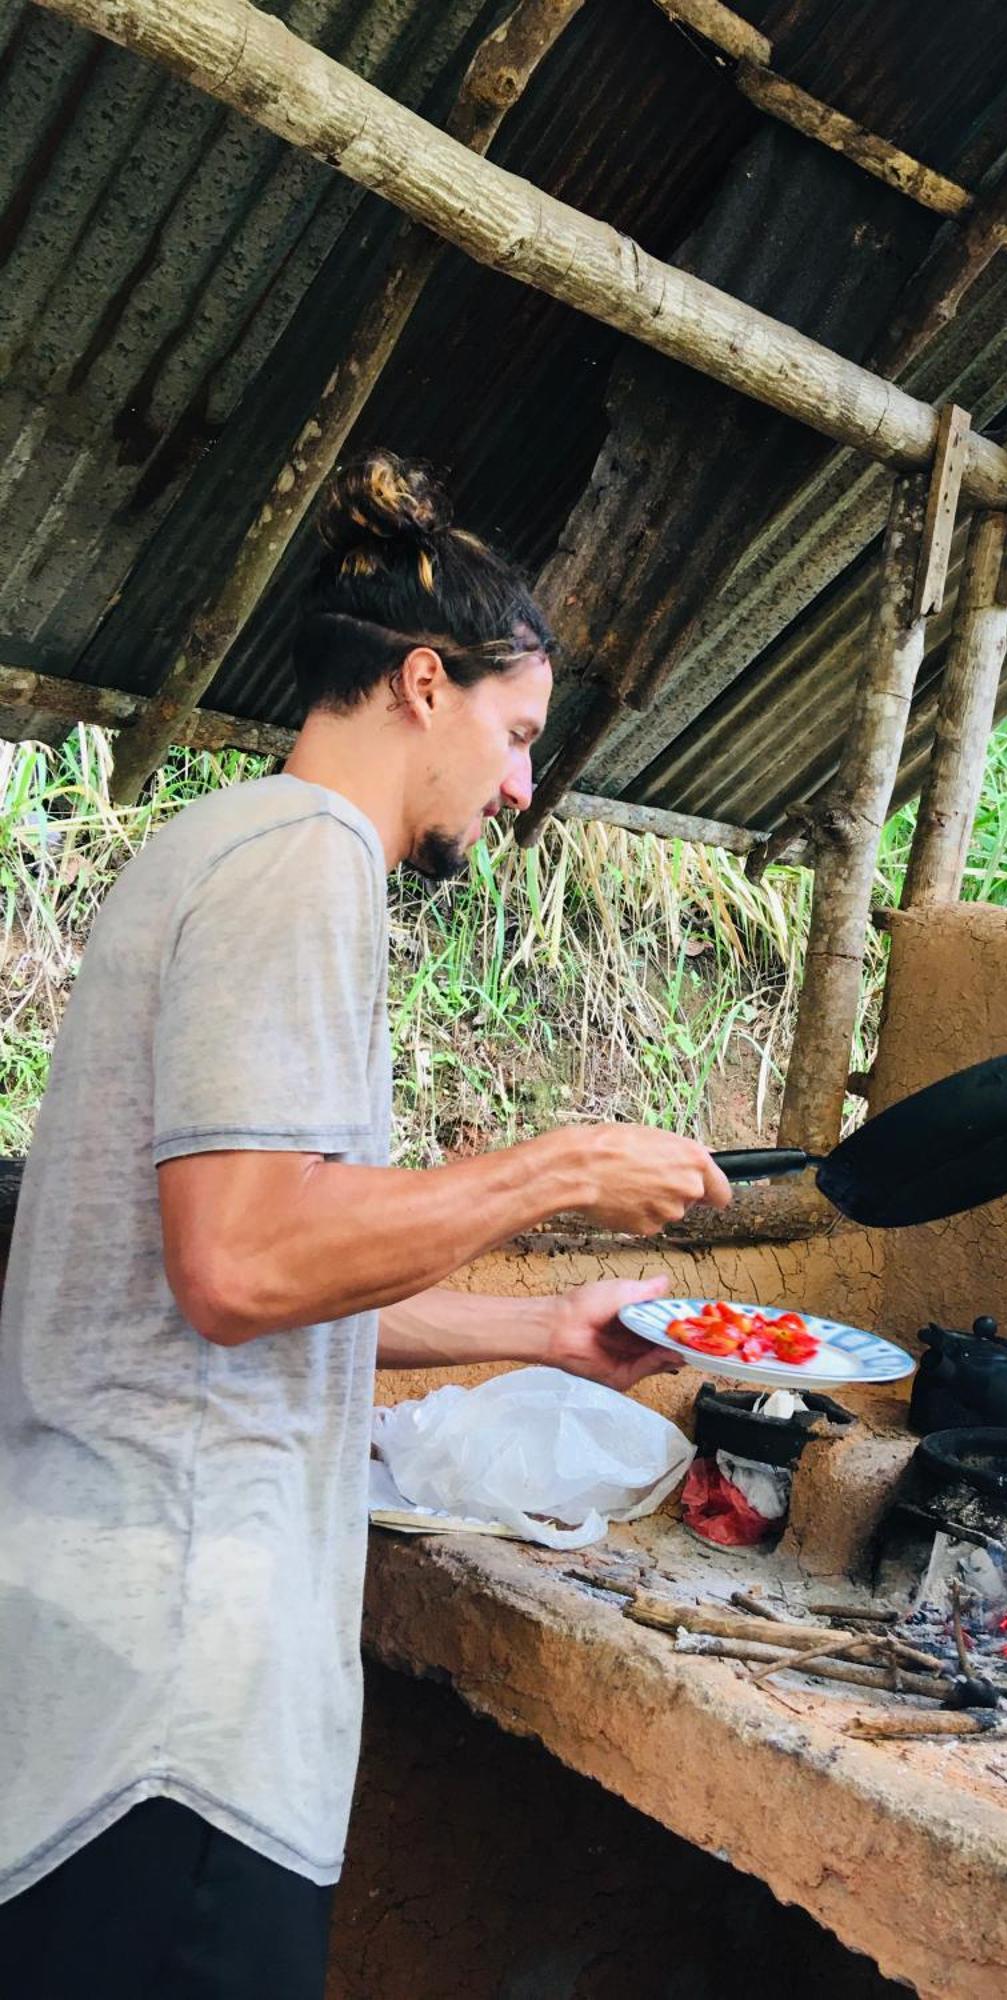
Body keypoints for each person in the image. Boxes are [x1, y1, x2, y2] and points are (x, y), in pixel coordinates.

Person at [0, 449, 733, 1998]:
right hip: (176, 1704)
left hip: (121, 1667)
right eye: (518, 734)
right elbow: (242, 1265)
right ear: (422, 684)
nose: (522, 786)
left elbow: (270, 1262)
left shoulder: (225, 847)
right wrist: (558, 1169)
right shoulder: (303, 862)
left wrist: (542, 1330)